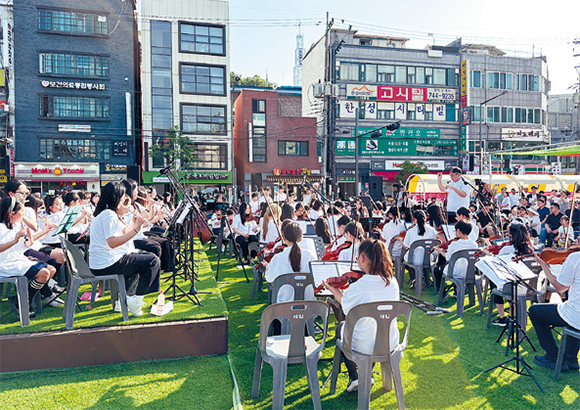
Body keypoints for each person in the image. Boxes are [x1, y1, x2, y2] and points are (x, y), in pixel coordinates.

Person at [324, 239, 399, 392]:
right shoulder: (393, 282)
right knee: (369, 329)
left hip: (364, 345)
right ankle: (368, 372)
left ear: (363, 258)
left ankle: (355, 376)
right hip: (389, 342)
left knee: (341, 327)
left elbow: (345, 307)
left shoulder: (358, 287)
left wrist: (335, 291)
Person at [88, 182, 161, 317]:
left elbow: (121, 233)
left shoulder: (106, 213)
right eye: (122, 199)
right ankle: (136, 300)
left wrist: (134, 223)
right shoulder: (108, 215)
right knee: (152, 261)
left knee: (141, 257)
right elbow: (112, 243)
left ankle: (123, 301)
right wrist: (135, 229)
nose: (124, 202)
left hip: (103, 261)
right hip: (106, 262)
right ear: (115, 198)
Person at [0, 197, 60, 317]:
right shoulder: (1, 227)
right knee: (44, 273)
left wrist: (34, 235)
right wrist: (14, 240)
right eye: (21, 211)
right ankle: (23, 302)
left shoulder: (16, 225)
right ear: (12, 214)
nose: (23, 214)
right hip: (5, 263)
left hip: (19, 260)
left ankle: (21, 300)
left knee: (50, 270)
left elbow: (27, 244)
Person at [529, 251, 580, 372]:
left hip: (576, 315)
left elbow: (560, 287)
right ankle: (570, 358)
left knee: (534, 311)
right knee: (571, 309)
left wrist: (543, 264)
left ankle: (553, 356)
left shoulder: (575, 258)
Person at [264, 221, 317, 303]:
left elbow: (269, 278)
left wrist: (267, 267)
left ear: (284, 238)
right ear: (301, 238)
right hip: (309, 307)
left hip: (284, 308)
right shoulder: (310, 254)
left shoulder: (277, 258)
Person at [432, 221, 478, 291]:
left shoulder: (454, 244)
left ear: (458, 231)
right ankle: (457, 290)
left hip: (454, 272)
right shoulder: (474, 244)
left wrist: (440, 250)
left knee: (437, 270)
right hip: (468, 272)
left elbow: (447, 258)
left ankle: (442, 293)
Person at [401, 210, 438, 286]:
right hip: (428, 259)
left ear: (414, 219)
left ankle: (415, 278)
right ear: (425, 219)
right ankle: (424, 278)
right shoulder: (432, 230)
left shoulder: (411, 231)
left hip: (413, 260)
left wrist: (401, 241)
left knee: (405, 257)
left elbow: (406, 245)